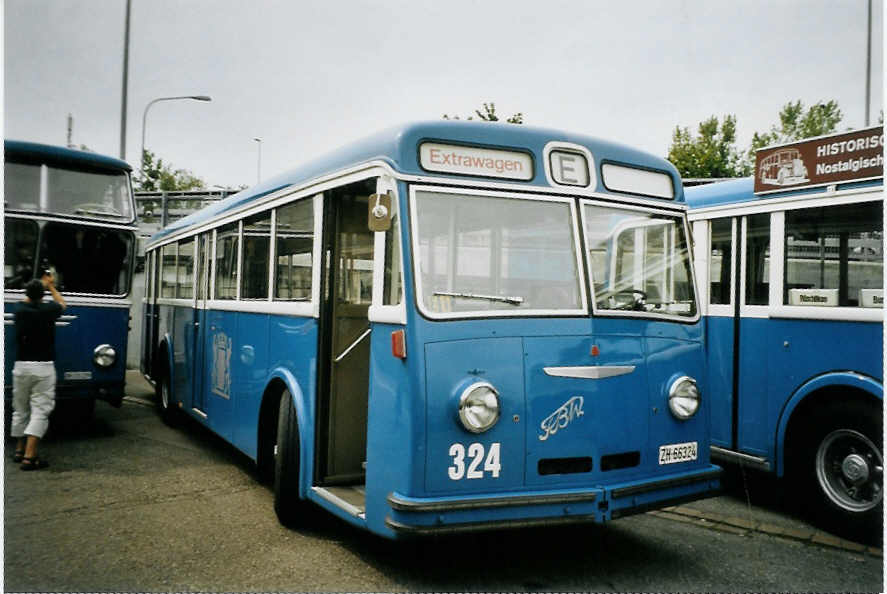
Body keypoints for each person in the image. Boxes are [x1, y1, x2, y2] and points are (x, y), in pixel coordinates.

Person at [11, 272, 66, 470]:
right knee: (40, 410)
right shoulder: (48, 309)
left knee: (20, 409)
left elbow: (27, 299)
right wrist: (50, 286)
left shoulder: (19, 309)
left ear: (27, 294)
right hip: (43, 367)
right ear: (42, 295)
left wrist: (36, 288)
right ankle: (29, 457)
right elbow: (63, 303)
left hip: (21, 367)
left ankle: (18, 449)